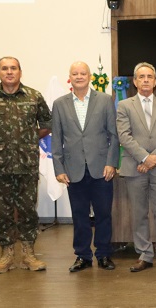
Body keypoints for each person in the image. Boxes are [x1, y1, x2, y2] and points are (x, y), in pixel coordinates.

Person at [0, 56, 52, 274]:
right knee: (2, 211)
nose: (9, 72)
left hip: (27, 164)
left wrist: (29, 139)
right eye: (4, 69)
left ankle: (28, 254)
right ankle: (6, 255)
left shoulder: (34, 96)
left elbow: (47, 124)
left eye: (13, 68)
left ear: (20, 72)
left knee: (27, 211)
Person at [51, 61, 120, 272]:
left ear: (90, 76)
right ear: (69, 77)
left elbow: (114, 135)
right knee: (79, 216)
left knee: (103, 214)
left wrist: (111, 163)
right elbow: (57, 139)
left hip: (101, 168)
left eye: (83, 73)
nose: (79, 76)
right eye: (75, 73)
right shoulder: (60, 104)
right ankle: (83, 256)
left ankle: (104, 254)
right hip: (73, 170)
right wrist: (59, 168)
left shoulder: (105, 100)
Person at [117, 62, 156, 272]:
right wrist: (144, 158)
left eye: (149, 77)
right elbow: (124, 136)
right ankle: (144, 254)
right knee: (139, 212)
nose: (145, 80)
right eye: (141, 77)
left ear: (155, 81)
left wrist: (153, 159)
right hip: (134, 167)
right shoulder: (125, 105)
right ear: (134, 81)